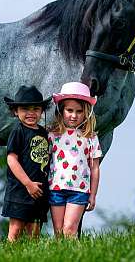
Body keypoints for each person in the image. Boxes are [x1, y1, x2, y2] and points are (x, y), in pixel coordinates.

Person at [47, 82, 101, 238]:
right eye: (69, 110)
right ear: (61, 110)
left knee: (70, 229)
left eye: (79, 111)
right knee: (58, 231)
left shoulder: (90, 137)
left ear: (86, 113)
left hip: (79, 190)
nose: (74, 115)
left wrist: (93, 194)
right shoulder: (52, 135)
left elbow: (95, 168)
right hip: (56, 188)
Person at [1, 85, 51, 242]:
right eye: (25, 109)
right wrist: (28, 183)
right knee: (15, 230)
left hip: (40, 190)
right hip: (20, 190)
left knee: (34, 233)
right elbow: (11, 159)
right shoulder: (18, 131)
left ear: (42, 111)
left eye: (36, 108)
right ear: (16, 111)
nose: (31, 113)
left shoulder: (44, 133)